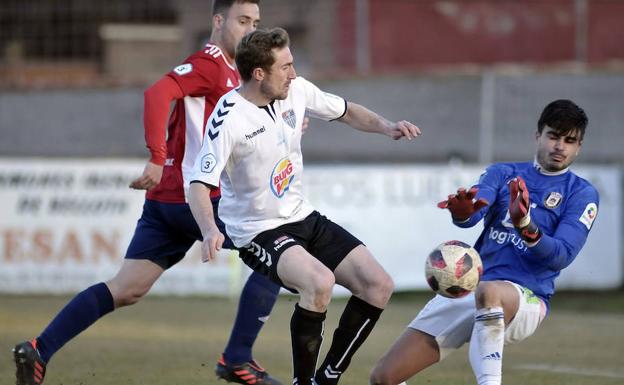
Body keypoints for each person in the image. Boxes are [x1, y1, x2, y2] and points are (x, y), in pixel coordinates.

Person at [13, 2, 285, 385]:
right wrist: (156, 158)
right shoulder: (209, 63)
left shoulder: (236, 76)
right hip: (195, 198)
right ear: (218, 21)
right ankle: (238, 359)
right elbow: (158, 92)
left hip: (166, 203)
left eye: (255, 23)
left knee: (127, 288)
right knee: (277, 251)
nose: (250, 30)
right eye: (242, 21)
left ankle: (39, 350)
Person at [188, 27, 421, 385]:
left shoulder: (295, 91)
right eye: (285, 67)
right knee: (319, 283)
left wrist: (387, 127)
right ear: (259, 73)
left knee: (378, 285)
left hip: (302, 216)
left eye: (293, 64)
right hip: (257, 230)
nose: (294, 74)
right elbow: (199, 184)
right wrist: (208, 230)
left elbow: (346, 111)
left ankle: (327, 377)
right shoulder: (229, 115)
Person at [369, 99, 599, 385]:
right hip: (468, 289)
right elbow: (477, 205)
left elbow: (560, 256)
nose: (559, 146)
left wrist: (525, 225)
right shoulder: (503, 173)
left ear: (579, 146)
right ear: (537, 135)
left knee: (489, 292)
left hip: (526, 298)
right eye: (553, 136)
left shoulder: (582, 194)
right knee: (383, 378)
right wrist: (463, 212)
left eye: (569, 140)